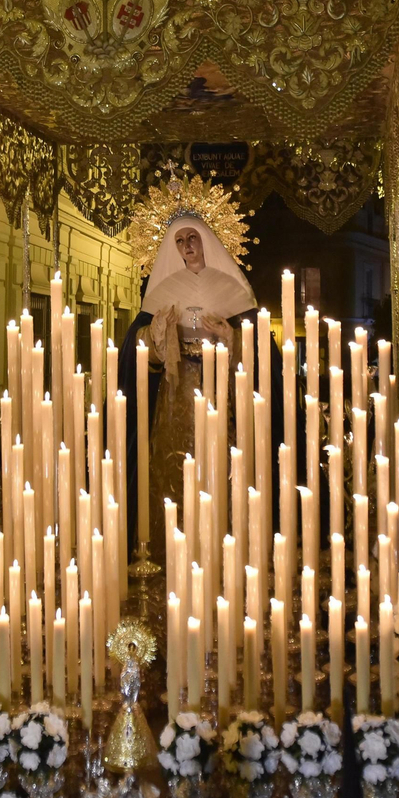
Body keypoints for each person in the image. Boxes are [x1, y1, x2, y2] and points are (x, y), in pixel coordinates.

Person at [118, 192, 274, 552]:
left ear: (207, 241)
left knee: (223, 467)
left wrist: (230, 338)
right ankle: (172, 547)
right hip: (176, 396)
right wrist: (159, 333)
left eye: (192, 238)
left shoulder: (236, 294)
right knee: (173, 472)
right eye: (179, 241)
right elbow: (138, 352)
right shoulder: (161, 295)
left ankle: (226, 546)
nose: (187, 247)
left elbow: (263, 358)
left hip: (223, 394)